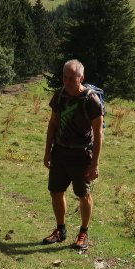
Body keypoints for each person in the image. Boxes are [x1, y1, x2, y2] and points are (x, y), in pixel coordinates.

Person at [42, 59, 103, 250]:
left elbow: (98, 134)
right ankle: (60, 230)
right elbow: (53, 124)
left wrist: (94, 164)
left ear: (81, 78)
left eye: (71, 79)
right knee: (56, 191)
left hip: (81, 155)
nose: (67, 82)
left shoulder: (91, 100)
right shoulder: (59, 95)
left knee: (83, 195)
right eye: (64, 78)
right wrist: (48, 152)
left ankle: (83, 233)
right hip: (60, 152)